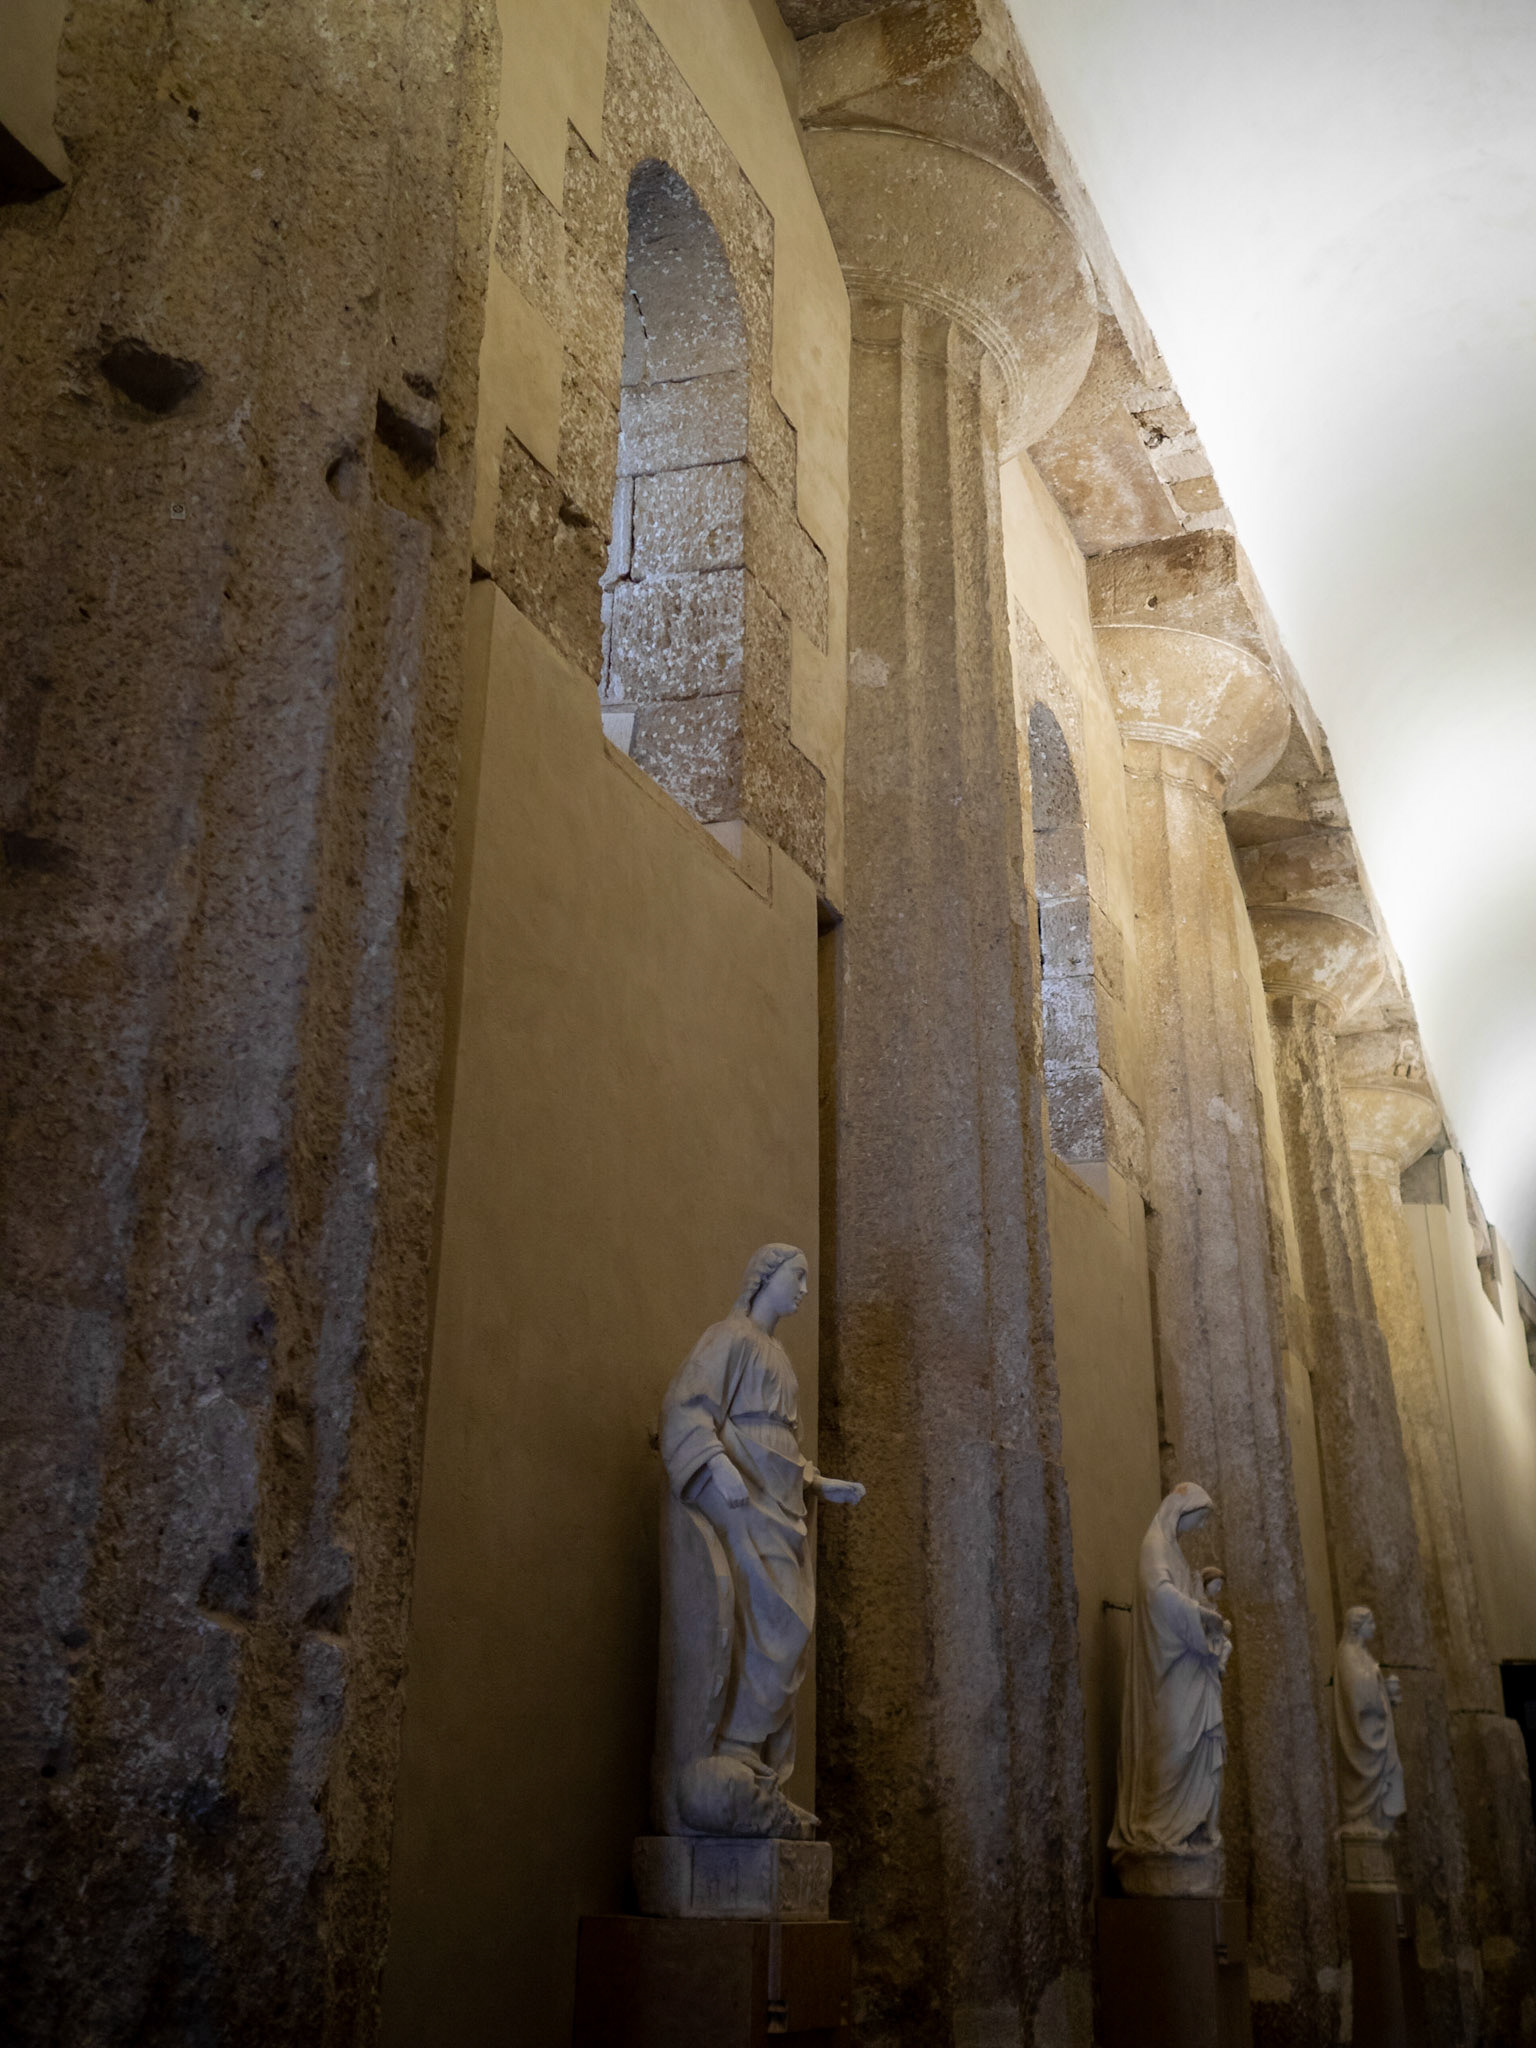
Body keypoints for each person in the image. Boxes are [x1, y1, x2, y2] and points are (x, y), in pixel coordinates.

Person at [654, 1244, 864, 1838]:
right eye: (796, 1278)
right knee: (754, 1621)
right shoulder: (730, 1338)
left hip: (778, 1502)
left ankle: (750, 1766)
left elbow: (782, 1448)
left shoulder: (781, 1359)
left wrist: (819, 1480)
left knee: (790, 1629)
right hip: (740, 1501)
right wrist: (716, 1464)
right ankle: (731, 1754)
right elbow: (686, 1410)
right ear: (763, 1279)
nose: (803, 1290)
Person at [1110, 1481, 1229, 1875]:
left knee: (1191, 1744)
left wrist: (1203, 1614)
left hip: (1187, 1669)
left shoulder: (1173, 1550)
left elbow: (1182, 1595)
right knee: (1172, 1742)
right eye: (1195, 1519)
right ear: (1180, 1510)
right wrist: (1198, 1615)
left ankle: (1184, 1829)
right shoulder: (1154, 1546)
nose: (1195, 1529)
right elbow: (1159, 1596)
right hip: (1167, 1672)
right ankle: (1155, 1827)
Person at [1334, 1606, 1406, 1837]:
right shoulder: (1347, 1654)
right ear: (1358, 1626)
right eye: (1370, 1623)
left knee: (1394, 1770)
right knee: (1373, 1773)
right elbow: (1358, 1693)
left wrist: (1387, 1693)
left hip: (1376, 1727)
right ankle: (1363, 1816)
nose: (1374, 1628)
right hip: (1363, 1732)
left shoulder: (1363, 1654)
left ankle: (1379, 1820)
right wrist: (1379, 1689)